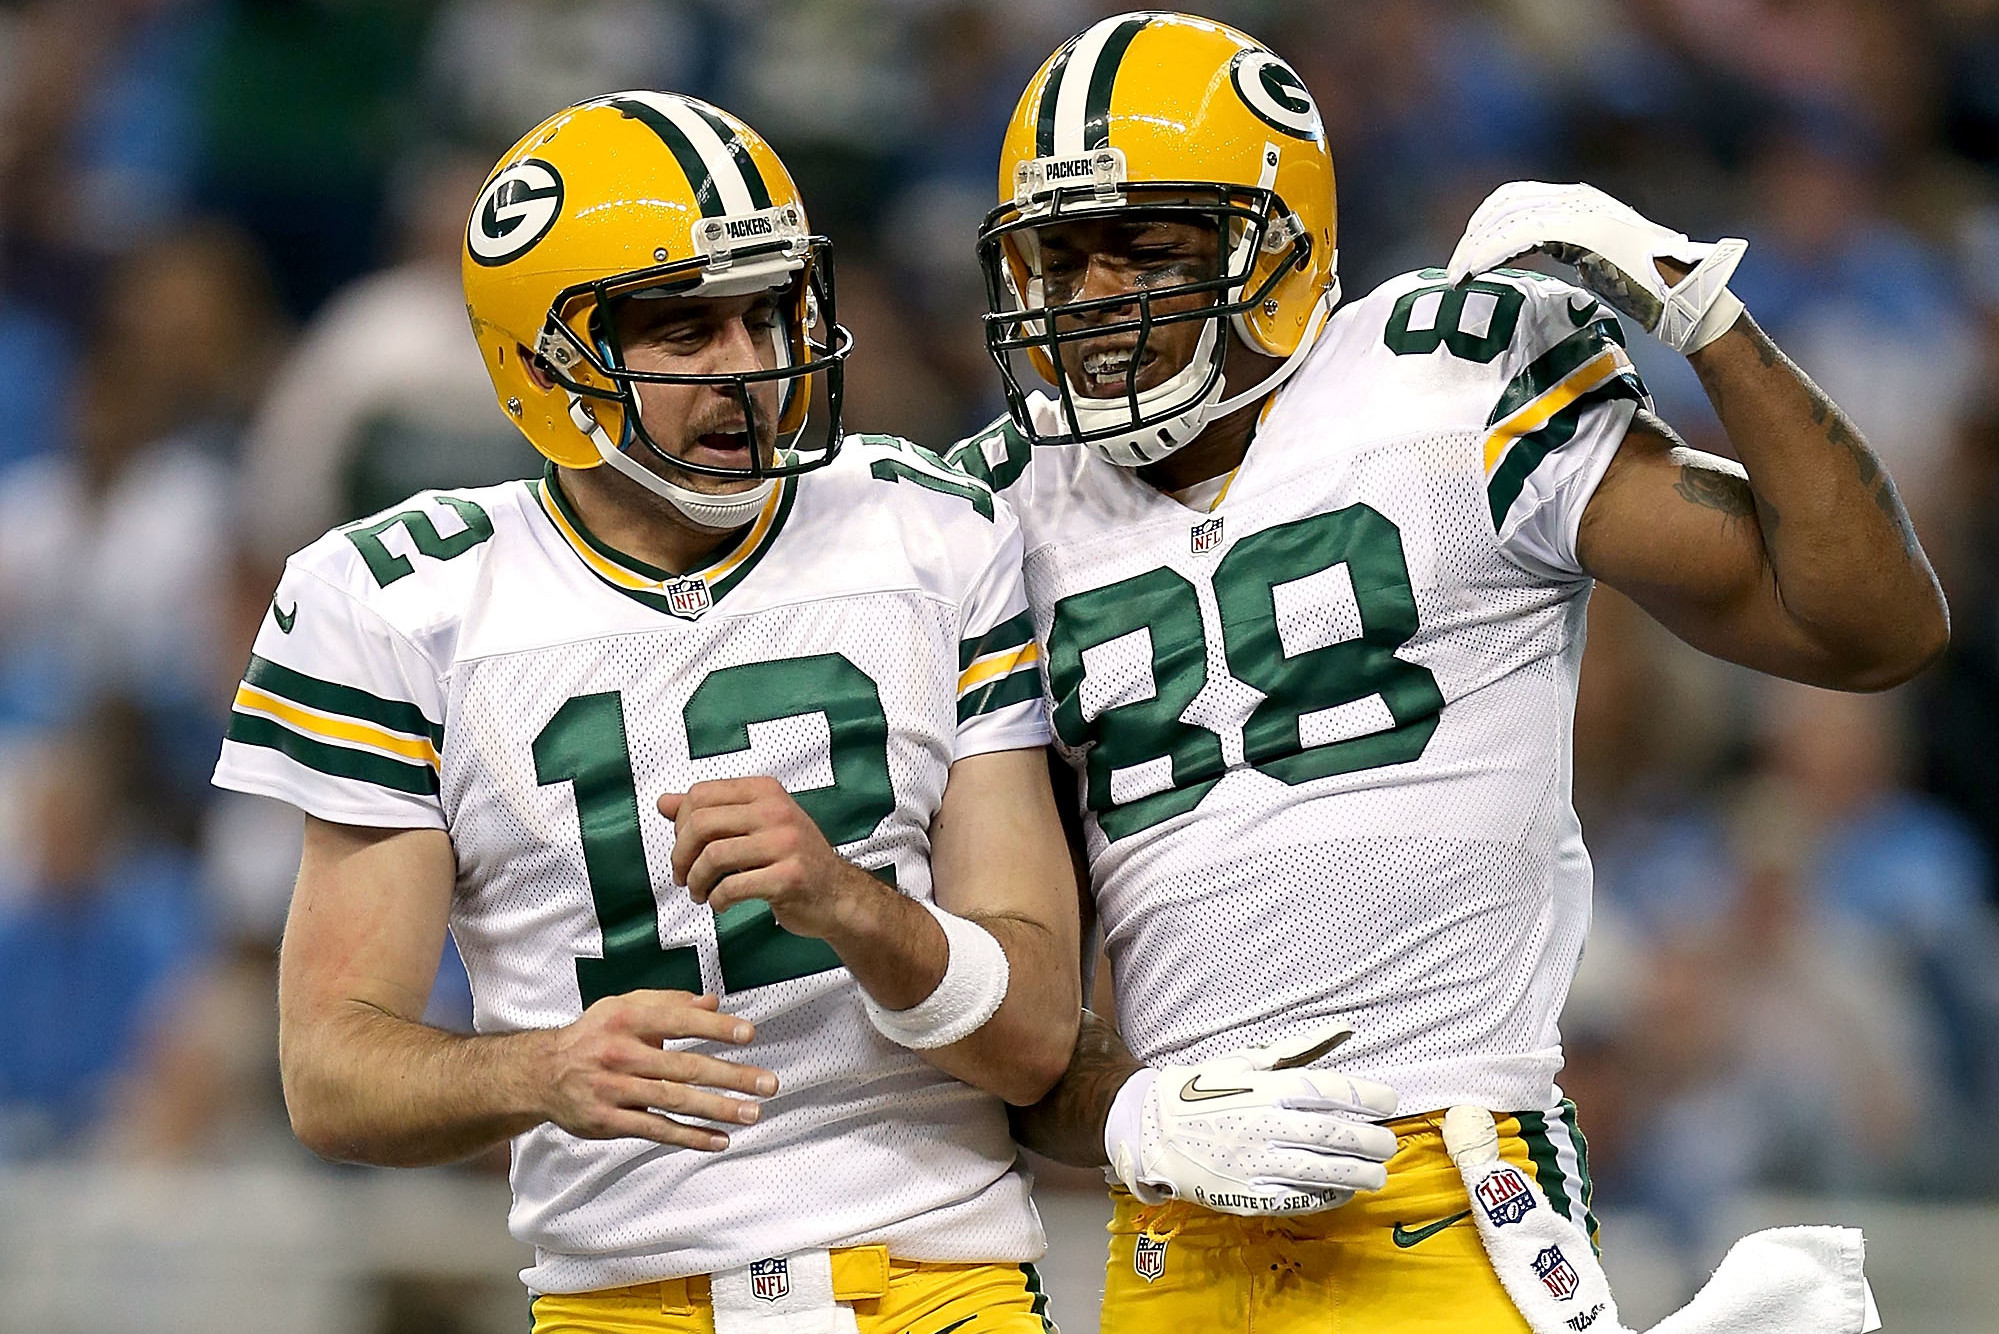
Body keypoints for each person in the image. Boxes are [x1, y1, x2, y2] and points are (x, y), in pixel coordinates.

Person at [945, 13, 1948, 1333]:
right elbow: (974, 986)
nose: (1082, 296)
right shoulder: (992, 506)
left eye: (1137, 246)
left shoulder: (1443, 375)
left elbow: (1868, 624)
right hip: (1169, 1214)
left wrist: (1700, 313)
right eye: (1052, 254)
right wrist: (1133, 1109)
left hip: (1445, 1181)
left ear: (1270, 242)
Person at [212, 91, 1081, 1334]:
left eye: (767, 309)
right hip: (623, 1295)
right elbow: (330, 1072)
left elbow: (1039, 1026)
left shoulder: (927, 529)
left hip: (937, 1273)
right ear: (542, 362)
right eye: (683, 328)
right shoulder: (402, 602)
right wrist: (538, 1068)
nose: (746, 367)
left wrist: (850, 901)